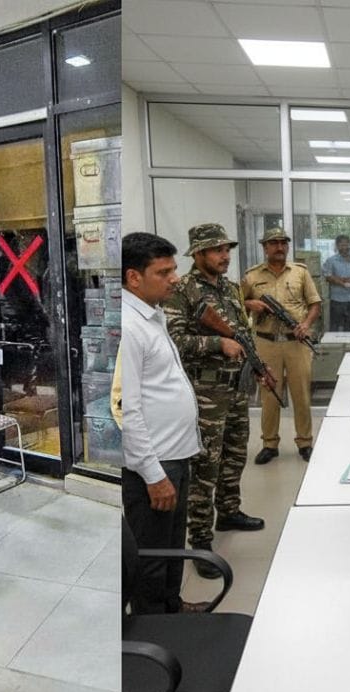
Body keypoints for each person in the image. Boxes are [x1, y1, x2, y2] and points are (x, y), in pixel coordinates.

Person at [163, 223, 265, 580]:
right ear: (199, 253)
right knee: (205, 468)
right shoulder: (182, 290)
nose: (225, 256)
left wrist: (254, 364)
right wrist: (217, 344)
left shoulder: (231, 288)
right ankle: (200, 541)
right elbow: (175, 342)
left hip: (235, 390)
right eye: (217, 250)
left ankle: (229, 511)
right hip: (205, 394)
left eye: (226, 250)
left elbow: (243, 333)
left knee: (235, 457)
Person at [120, 232, 209, 614]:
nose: (175, 278)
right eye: (164, 272)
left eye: (173, 269)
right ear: (133, 277)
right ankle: (153, 627)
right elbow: (127, 410)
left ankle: (173, 609)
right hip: (154, 465)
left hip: (175, 456)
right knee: (152, 557)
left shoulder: (150, 315)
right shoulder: (128, 326)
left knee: (172, 547)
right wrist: (153, 475)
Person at [242, 227, 322, 463]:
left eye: (283, 243)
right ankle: (269, 444)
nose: (279, 247)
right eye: (274, 243)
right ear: (265, 247)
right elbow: (236, 303)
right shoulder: (251, 276)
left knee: (301, 395)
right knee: (269, 394)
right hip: (265, 343)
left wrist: (305, 324)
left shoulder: (300, 273)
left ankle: (305, 442)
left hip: (296, 343)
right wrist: (251, 304)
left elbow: (315, 304)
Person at [321, 234, 350, 332]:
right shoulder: (331, 261)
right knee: (334, 329)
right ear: (337, 246)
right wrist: (342, 282)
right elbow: (327, 275)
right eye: (342, 245)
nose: (345, 247)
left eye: (347, 245)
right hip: (337, 302)